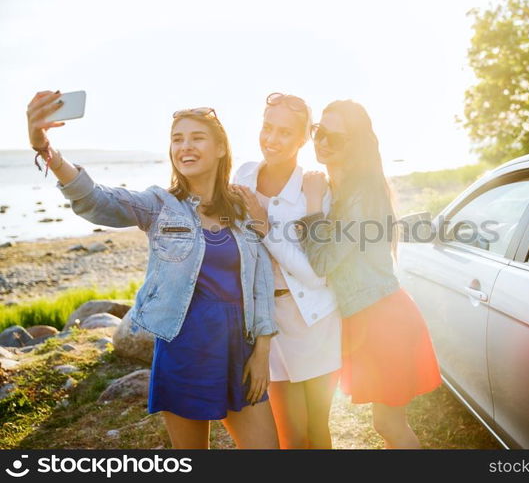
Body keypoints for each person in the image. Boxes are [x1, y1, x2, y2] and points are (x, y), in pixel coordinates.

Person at [25, 90, 279, 449]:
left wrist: (262, 351)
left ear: (221, 148)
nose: (184, 147)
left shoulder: (240, 208)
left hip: (240, 347)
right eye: (177, 139)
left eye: (196, 138)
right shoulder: (160, 205)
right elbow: (98, 201)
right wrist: (47, 151)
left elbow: (261, 282)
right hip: (184, 347)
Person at [297, 100, 442, 449]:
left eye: (336, 137)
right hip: (371, 316)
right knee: (388, 425)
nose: (324, 141)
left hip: (382, 319)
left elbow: (323, 262)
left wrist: (313, 207)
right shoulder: (345, 189)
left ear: (356, 143)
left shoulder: (359, 196)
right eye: (319, 132)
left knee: (390, 426)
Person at [232, 93, 341, 449]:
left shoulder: (314, 189)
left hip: (315, 320)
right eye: (267, 127)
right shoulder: (243, 176)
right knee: (290, 435)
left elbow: (316, 274)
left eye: (284, 132)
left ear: (302, 139)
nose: (271, 139)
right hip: (268, 325)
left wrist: (265, 228)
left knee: (317, 432)